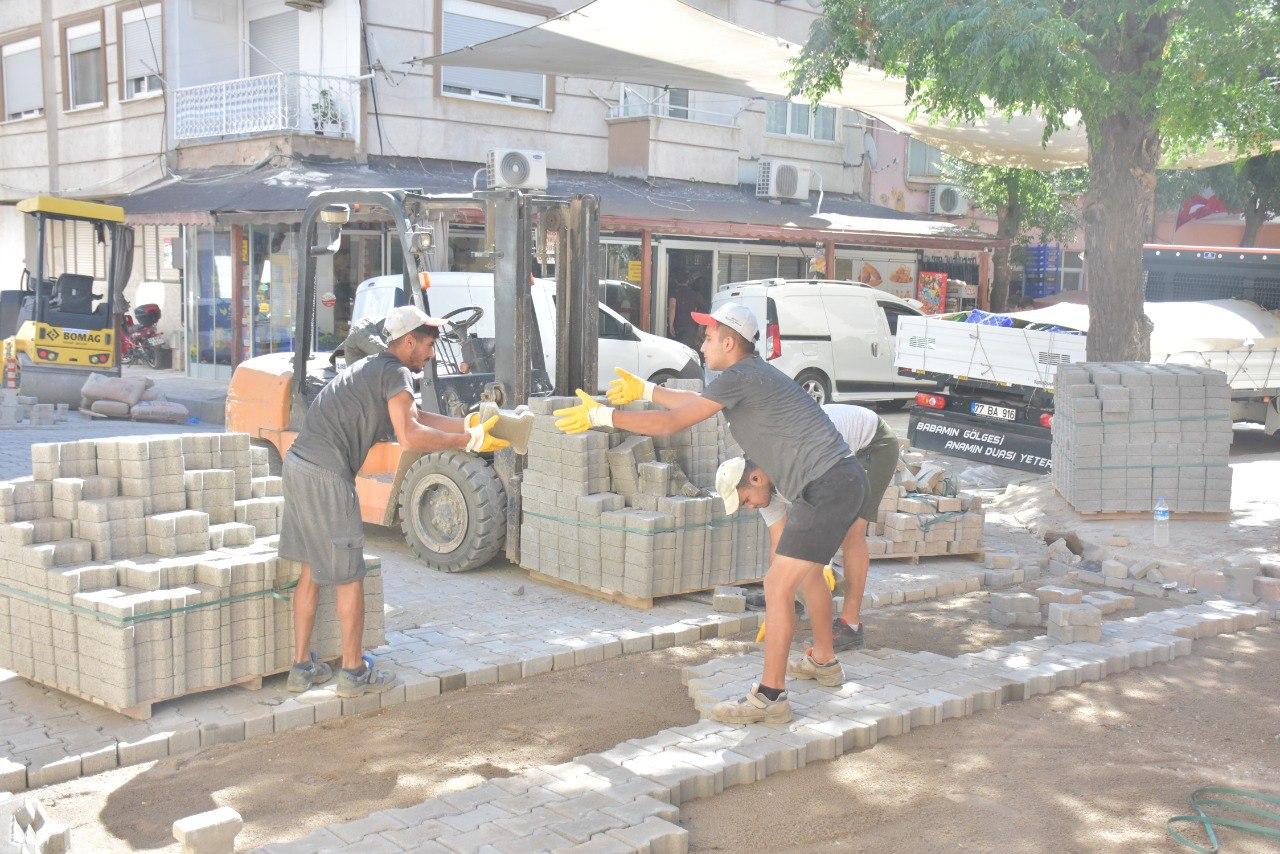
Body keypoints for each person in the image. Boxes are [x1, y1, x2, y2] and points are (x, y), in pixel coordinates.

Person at [554, 302, 867, 725]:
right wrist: (646, 392)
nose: (701, 345)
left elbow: (672, 423)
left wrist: (601, 415)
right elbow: (697, 402)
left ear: (729, 341)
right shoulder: (747, 378)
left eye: (707, 337)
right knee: (803, 575)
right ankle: (825, 662)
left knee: (777, 585)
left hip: (827, 485)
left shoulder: (743, 376)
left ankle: (771, 698)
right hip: (837, 481)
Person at [281, 305, 509, 697]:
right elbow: (411, 436)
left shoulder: (374, 368)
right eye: (428, 344)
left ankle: (301, 667)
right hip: (326, 474)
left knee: (310, 568)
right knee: (349, 575)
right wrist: (467, 442)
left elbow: (418, 416)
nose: (432, 352)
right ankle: (353, 674)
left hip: (298, 464)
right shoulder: (396, 372)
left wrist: (472, 425)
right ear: (408, 342)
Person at [719, 403, 900, 651]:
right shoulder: (764, 491)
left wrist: (817, 563)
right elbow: (780, 542)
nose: (749, 507)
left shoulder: (790, 462)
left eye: (745, 500)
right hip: (833, 456)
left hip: (871, 444)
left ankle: (851, 626)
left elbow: (821, 512)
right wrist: (779, 596)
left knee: (852, 531)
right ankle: (800, 598)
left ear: (755, 478)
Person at [667, 278, 708, 351]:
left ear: (676, 281)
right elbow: (703, 310)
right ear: (688, 281)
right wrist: (700, 327)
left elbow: (672, 307)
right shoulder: (694, 294)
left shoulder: (674, 293)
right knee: (688, 350)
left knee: (676, 350)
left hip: (677, 326)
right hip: (690, 327)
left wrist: (670, 325)